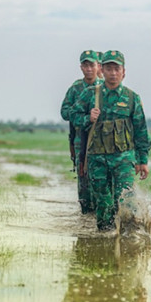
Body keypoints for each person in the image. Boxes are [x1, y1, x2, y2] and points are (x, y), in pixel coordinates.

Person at [71, 50, 151, 232]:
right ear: (102, 70)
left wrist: (143, 161)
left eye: (117, 69)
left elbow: (141, 131)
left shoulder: (132, 98)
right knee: (104, 203)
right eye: (109, 69)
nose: (113, 73)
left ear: (124, 72)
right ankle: (105, 240)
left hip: (124, 159)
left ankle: (129, 237)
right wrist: (87, 118)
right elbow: (72, 114)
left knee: (126, 199)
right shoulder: (90, 94)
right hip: (97, 159)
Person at [61, 50, 103, 214]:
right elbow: (65, 113)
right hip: (80, 140)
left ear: (98, 66)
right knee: (83, 176)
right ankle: (86, 213)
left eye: (91, 65)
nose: (89, 69)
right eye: (85, 66)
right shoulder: (75, 89)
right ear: (81, 67)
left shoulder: (104, 87)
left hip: (102, 140)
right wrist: (84, 117)